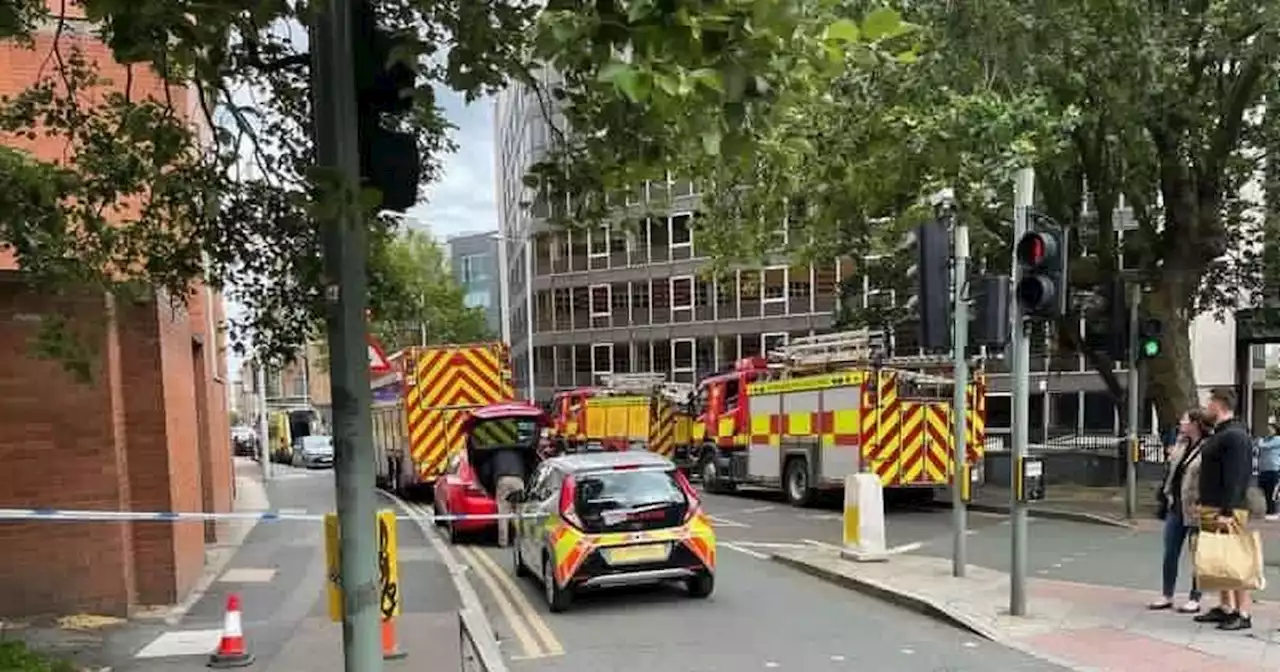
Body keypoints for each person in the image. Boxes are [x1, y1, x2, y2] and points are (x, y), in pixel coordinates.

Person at [1193, 387, 1256, 631]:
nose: (1207, 407)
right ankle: (1226, 607)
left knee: (1235, 560)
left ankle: (1244, 612)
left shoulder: (1235, 436)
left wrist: (1227, 511)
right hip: (1214, 505)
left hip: (1226, 508)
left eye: (1209, 402)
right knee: (1221, 559)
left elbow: (1236, 477)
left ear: (1219, 404)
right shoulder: (1222, 433)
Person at [1149, 408, 1209, 613]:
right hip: (1176, 505)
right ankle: (1167, 594)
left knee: (1197, 554)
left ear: (1195, 424)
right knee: (1170, 552)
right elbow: (1173, 473)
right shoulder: (1181, 444)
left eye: (1184, 420)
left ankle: (1195, 597)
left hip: (1194, 507)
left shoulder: (1207, 447)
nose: (1181, 423)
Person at [491, 445, 526, 547]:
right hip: (518, 480)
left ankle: (503, 542)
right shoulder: (518, 453)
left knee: (503, 513)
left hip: (503, 480)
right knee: (519, 513)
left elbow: (490, 472)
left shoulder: (496, 454)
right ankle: (520, 541)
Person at [1257, 424, 1280, 521]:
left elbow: (1262, 446)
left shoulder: (1277, 439)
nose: (1268, 431)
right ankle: (1268, 510)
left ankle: (1273, 511)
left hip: (1273, 469)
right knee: (1264, 490)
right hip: (1263, 469)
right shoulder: (1266, 439)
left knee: (1272, 492)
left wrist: (1260, 440)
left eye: (1270, 429)